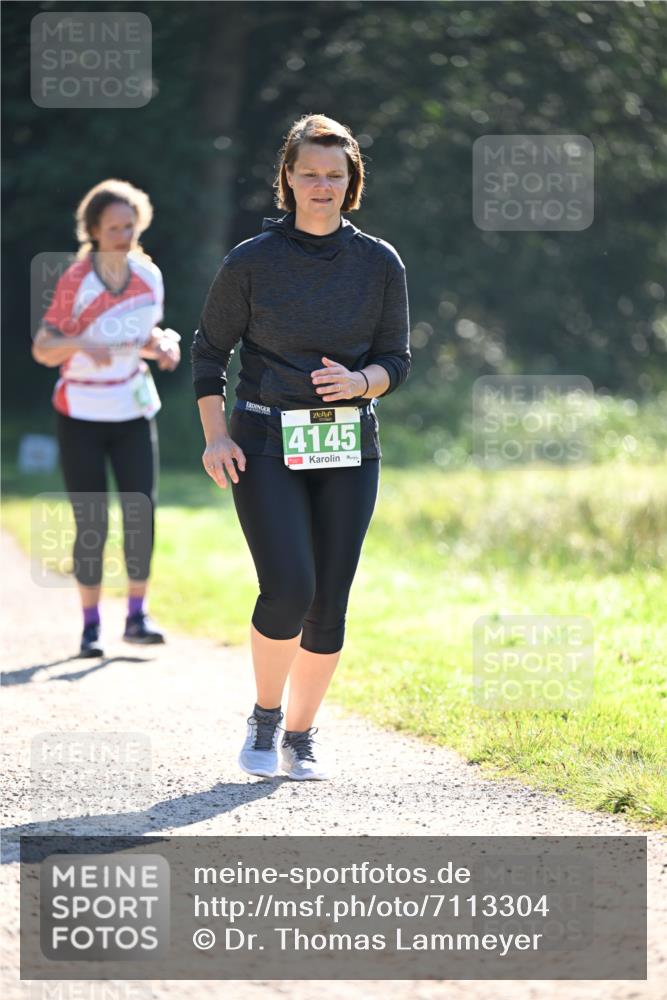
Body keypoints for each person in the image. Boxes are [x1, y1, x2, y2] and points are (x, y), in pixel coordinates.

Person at [191, 114, 410, 780]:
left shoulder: (378, 262)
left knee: (329, 600)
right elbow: (208, 353)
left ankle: (301, 734)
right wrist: (215, 436)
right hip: (262, 439)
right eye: (309, 174)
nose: (322, 186)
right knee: (288, 586)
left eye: (334, 176)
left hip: (347, 443)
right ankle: (263, 717)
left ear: (352, 183)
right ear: (287, 178)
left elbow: (395, 359)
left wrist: (359, 381)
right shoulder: (251, 262)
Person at [32, 178, 181, 657]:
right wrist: (81, 343)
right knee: (91, 521)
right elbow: (43, 348)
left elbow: (144, 332)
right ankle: (90, 626)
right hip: (81, 411)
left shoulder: (148, 275)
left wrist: (162, 343)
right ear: (93, 230)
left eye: (129, 225)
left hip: (132, 407)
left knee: (142, 515)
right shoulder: (77, 280)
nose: (123, 234)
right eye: (113, 227)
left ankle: (137, 617)